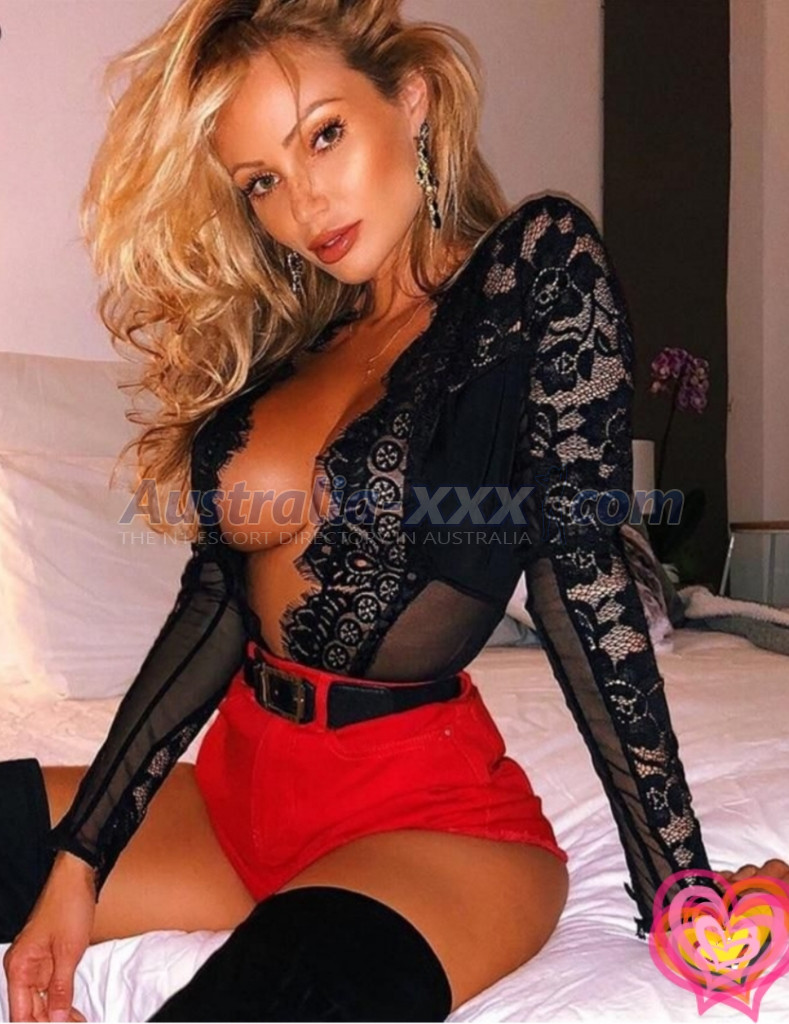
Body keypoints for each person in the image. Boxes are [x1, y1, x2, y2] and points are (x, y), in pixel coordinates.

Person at [5, 1, 786, 1021]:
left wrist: (682, 892)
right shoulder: (296, 343)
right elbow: (217, 603)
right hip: (238, 794)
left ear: (410, 100)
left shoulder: (531, 272)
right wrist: (80, 860)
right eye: (260, 181)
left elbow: (582, 581)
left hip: (425, 825)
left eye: (324, 134)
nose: (303, 202)